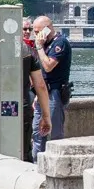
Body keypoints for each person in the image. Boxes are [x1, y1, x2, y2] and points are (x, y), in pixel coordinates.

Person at [31, 16, 72, 162]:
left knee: (54, 132)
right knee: (37, 131)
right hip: (43, 92)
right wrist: (37, 94)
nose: (35, 35)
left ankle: (56, 163)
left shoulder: (60, 43)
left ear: (47, 29)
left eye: (37, 32)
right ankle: (37, 163)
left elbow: (48, 66)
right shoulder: (45, 44)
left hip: (55, 92)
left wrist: (39, 48)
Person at [21, 26, 52, 162]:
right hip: (21, 105)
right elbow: (40, 85)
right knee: (24, 149)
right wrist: (46, 116)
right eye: (24, 28)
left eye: (30, 29)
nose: (28, 32)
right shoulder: (28, 52)